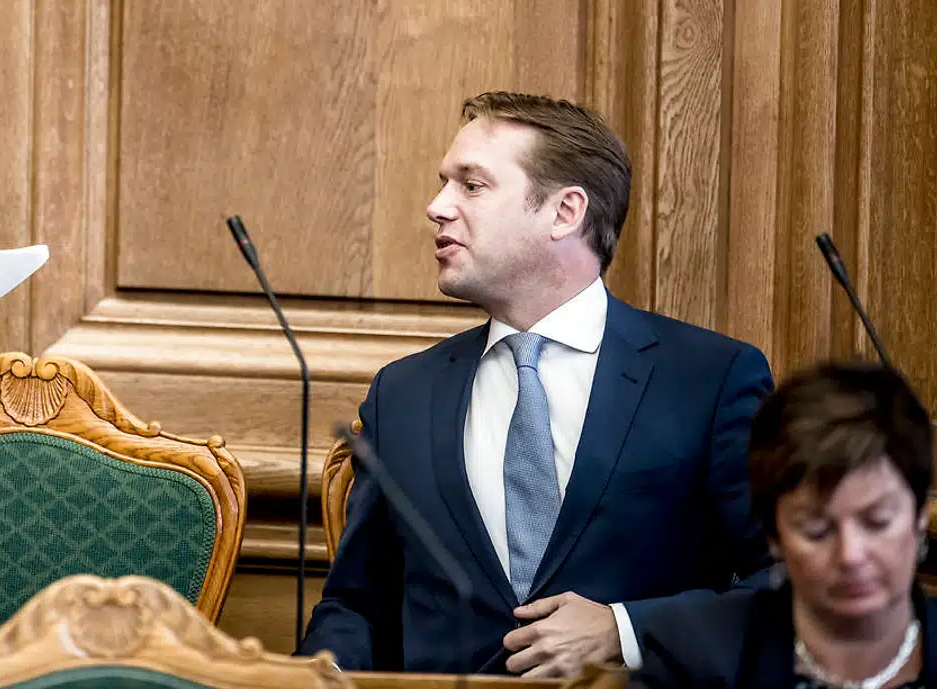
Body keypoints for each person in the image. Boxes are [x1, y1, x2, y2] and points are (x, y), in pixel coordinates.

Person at [299, 91, 773, 676]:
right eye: (444, 184)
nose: (437, 207)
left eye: (472, 185)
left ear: (564, 212)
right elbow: (358, 607)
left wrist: (625, 631)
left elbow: (784, 585)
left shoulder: (709, 380)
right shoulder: (403, 394)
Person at [635, 361, 936, 688]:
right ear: (774, 535)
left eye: (877, 523)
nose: (850, 555)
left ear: (920, 514)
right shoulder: (691, 655)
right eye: (816, 531)